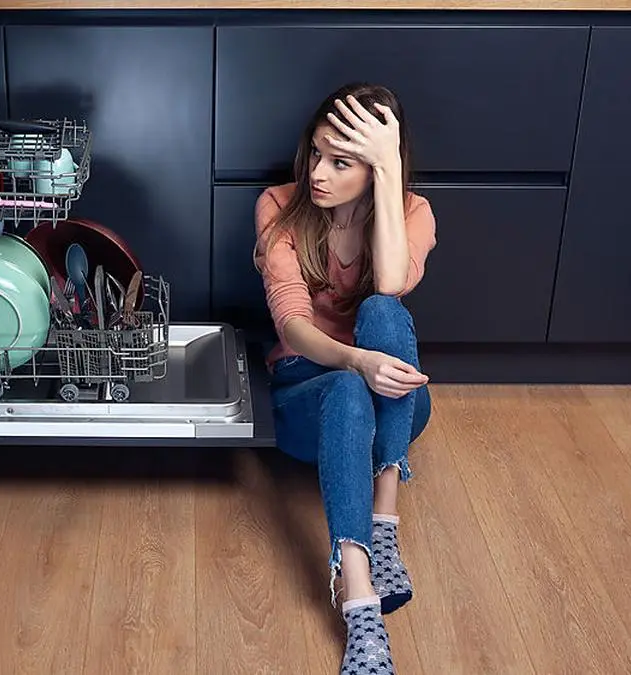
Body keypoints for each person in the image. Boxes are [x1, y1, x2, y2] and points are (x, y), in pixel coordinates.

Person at [253, 82, 436, 675]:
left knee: (384, 312)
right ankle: (360, 603)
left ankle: (384, 522)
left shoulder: (413, 212)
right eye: (315, 153)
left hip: (388, 394)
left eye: (341, 161)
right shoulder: (279, 207)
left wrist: (388, 172)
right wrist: (355, 361)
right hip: (309, 391)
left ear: (382, 165)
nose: (317, 174)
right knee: (350, 385)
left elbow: (390, 286)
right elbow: (294, 325)